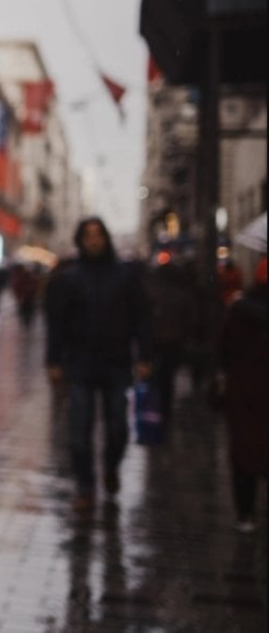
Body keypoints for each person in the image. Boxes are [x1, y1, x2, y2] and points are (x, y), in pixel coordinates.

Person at [46, 217, 151, 511]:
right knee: (79, 430)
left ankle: (111, 466)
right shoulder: (70, 277)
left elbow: (141, 316)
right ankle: (85, 485)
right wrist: (53, 360)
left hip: (116, 363)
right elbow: (57, 323)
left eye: (98, 235)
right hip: (79, 363)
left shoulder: (124, 275)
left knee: (117, 427)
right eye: (87, 235)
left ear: (105, 238)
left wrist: (144, 355)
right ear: (81, 240)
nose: (93, 240)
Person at [217, 255, 267, 533]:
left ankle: (245, 514)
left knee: (244, 453)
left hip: (244, 394)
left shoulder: (238, 310)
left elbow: (224, 351)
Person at [145, 261, 198, 429]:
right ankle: (164, 409)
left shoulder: (151, 293)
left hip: (155, 341)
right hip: (174, 341)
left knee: (157, 375)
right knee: (168, 377)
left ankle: (156, 408)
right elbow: (190, 319)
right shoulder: (182, 294)